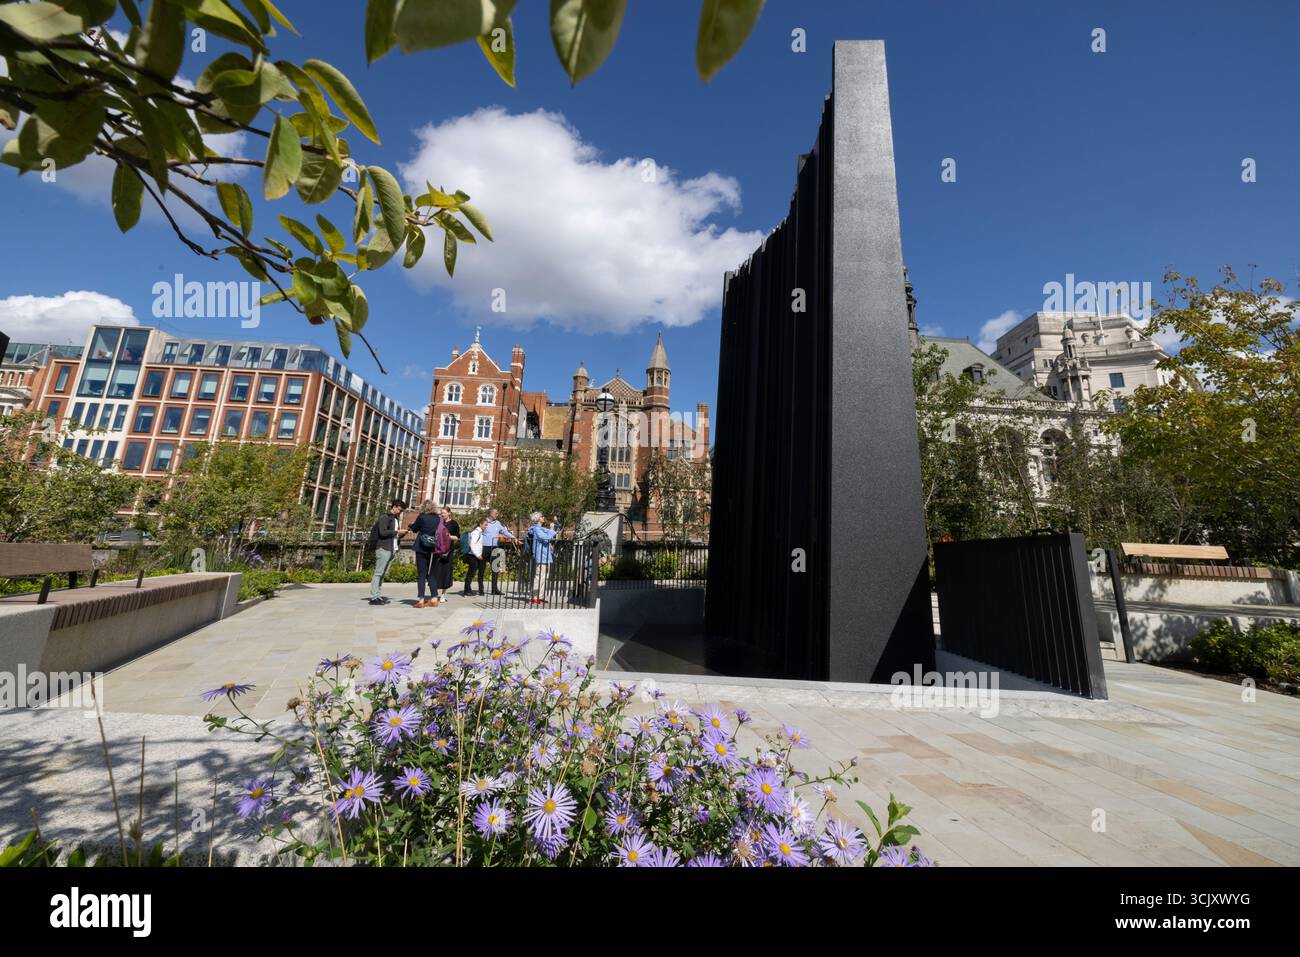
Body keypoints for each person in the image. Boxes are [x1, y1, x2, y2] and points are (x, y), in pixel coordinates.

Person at [367, 498, 405, 606]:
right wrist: (397, 531)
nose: (400, 512)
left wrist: (402, 533)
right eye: (400, 509)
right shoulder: (385, 517)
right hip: (383, 548)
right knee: (378, 573)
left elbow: (394, 535)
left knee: (383, 574)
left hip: (392, 549)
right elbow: (383, 533)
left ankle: (378, 596)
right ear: (394, 507)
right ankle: (374, 597)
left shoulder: (395, 519)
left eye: (401, 510)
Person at [407, 499, 445, 608]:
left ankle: (421, 600)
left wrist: (411, 525)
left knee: (422, 574)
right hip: (434, 549)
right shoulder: (438, 519)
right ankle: (434, 598)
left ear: (424, 507)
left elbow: (414, 529)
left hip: (422, 548)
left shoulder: (422, 517)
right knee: (432, 573)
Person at [480, 507, 516, 595]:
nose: (497, 515)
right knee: (481, 569)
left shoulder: (498, 523)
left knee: (495, 569)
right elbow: (478, 532)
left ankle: (494, 590)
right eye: (496, 513)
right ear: (491, 513)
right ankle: (481, 590)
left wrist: (513, 537)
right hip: (484, 548)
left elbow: (504, 531)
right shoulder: (484, 522)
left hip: (494, 548)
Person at [527, 511, 558, 605]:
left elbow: (549, 534)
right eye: (541, 516)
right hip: (540, 555)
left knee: (544, 577)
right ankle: (534, 597)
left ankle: (540, 596)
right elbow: (545, 538)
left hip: (545, 556)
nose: (543, 517)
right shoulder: (536, 529)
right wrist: (552, 529)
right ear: (537, 519)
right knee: (538, 577)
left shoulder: (541, 528)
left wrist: (553, 529)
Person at [434, 507, 460, 600]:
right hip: (437, 551)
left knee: (446, 572)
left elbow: (457, 537)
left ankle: (443, 595)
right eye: (441, 513)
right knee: (436, 572)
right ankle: (434, 594)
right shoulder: (439, 523)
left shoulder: (453, 523)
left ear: (449, 513)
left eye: (444, 513)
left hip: (448, 551)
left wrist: (449, 536)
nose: (442, 515)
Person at [462, 516, 489, 596]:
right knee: (471, 573)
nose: (486, 526)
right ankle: (466, 590)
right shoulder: (476, 533)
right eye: (485, 525)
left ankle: (479, 590)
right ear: (480, 524)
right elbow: (472, 545)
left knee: (477, 572)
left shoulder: (480, 532)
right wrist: (477, 555)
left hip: (477, 556)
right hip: (473, 556)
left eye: (487, 525)